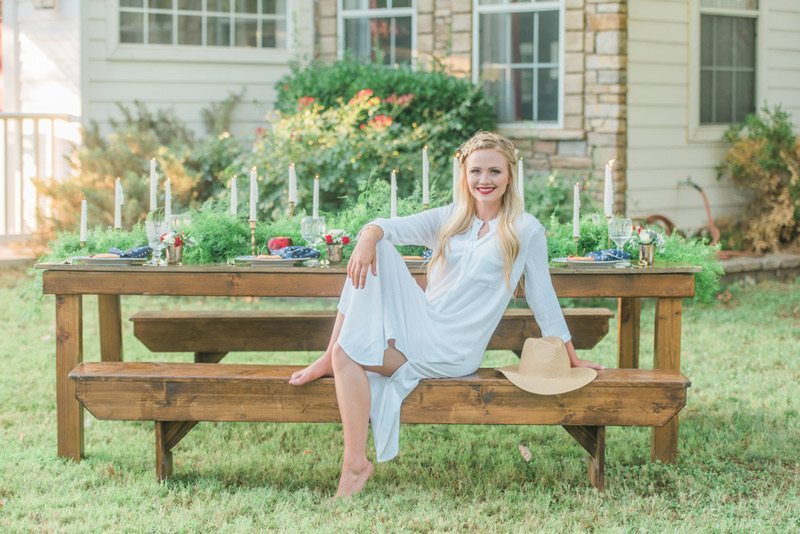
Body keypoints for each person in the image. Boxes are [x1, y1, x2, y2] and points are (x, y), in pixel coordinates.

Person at [288, 131, 603, 498]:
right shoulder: (450, 219)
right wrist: (367, 237)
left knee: (355, 332)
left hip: (455, 348)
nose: (484, 181)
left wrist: (572, 356)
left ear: (510, 176)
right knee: (372, 271)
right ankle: (355, 459)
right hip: (423, 324)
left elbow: (543, 297)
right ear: (464, 175)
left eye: (494, 172)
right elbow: (387, 226)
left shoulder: (525, 230)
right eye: (476, 172)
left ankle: (332, 372)